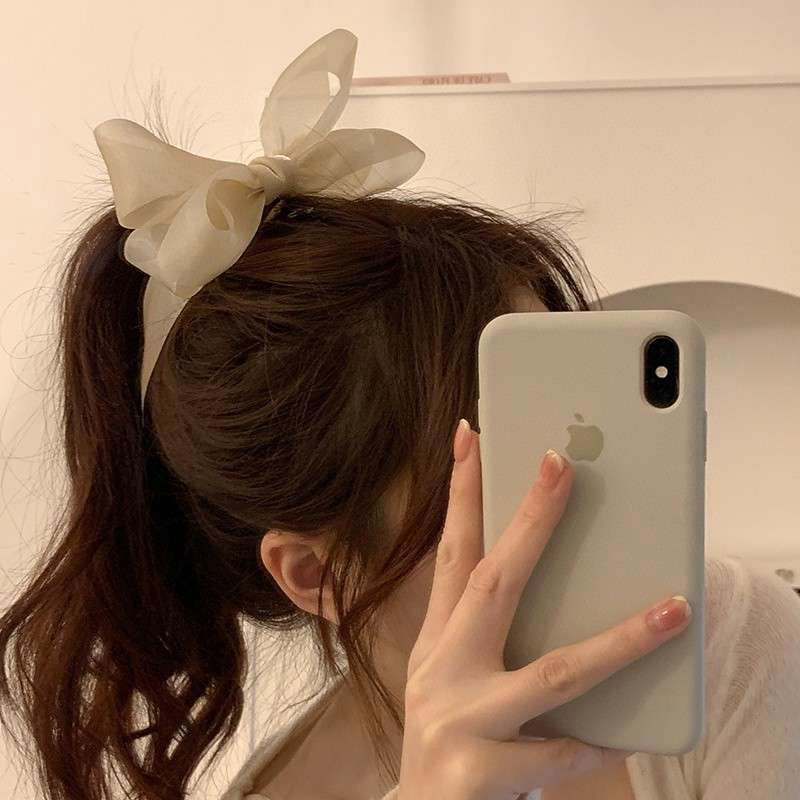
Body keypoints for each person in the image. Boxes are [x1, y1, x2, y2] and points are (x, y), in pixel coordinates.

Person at [1, 27, 799, 800]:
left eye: (554, 414)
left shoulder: (730, 643)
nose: (560, 489)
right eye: (492, 474)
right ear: (318, 575)